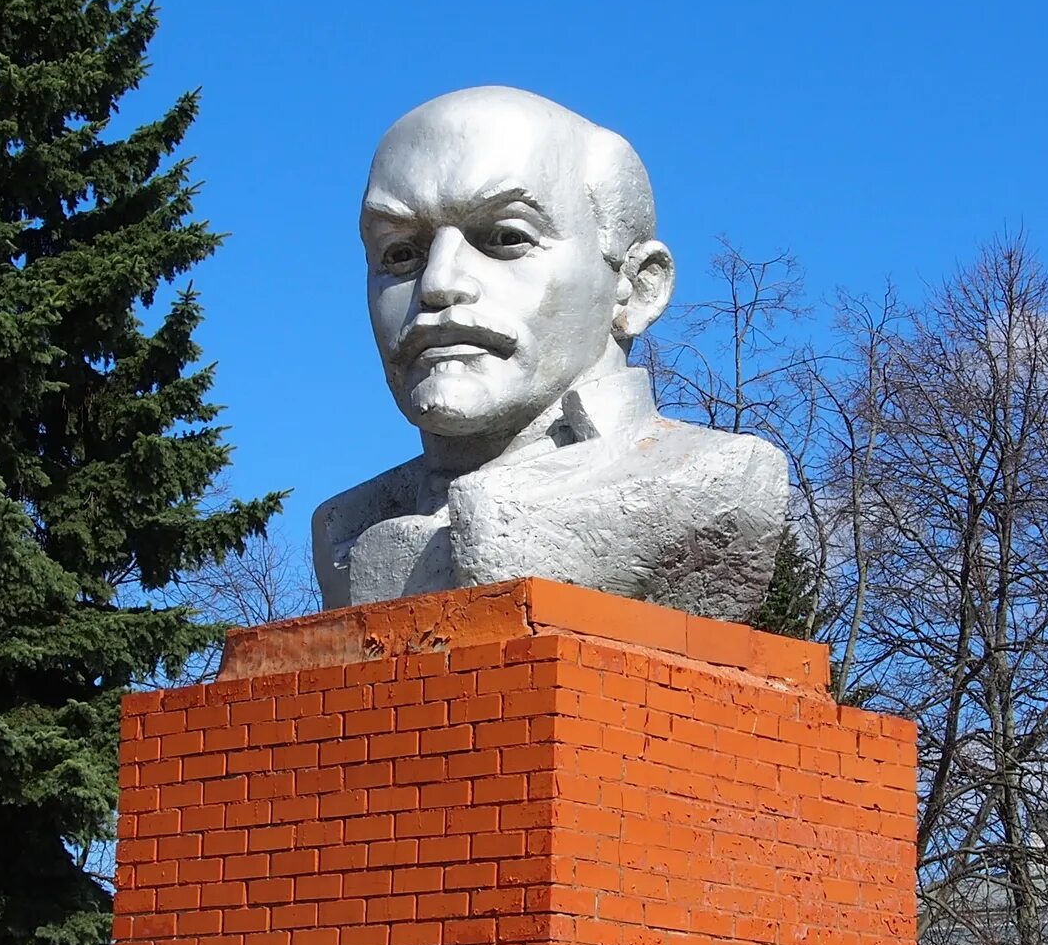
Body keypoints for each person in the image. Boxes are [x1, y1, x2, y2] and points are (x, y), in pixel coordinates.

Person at [310, 87, 790, 620]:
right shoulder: (344, 526)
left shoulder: (717, 477)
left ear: (634, 288)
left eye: (504, 238)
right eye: (399, 253)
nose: (438, 283)